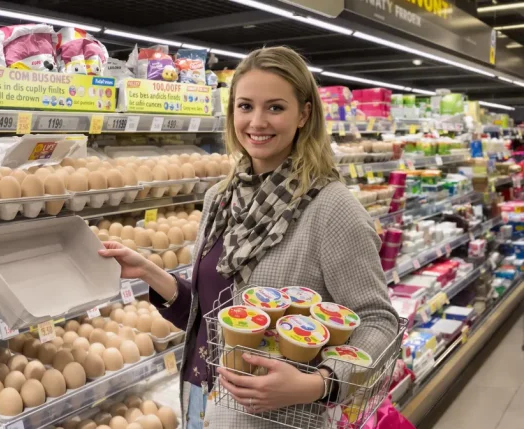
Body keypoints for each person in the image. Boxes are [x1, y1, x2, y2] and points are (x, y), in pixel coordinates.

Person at [99, 46, 399, 428]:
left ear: (304, 114)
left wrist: (317, 383)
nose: (257, 121)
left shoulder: (332, 209)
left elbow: (379, 324)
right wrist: (150, 272)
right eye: (245, 106)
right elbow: (217, 315)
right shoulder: (221, 198)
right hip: (202, 404)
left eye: (275, 107)